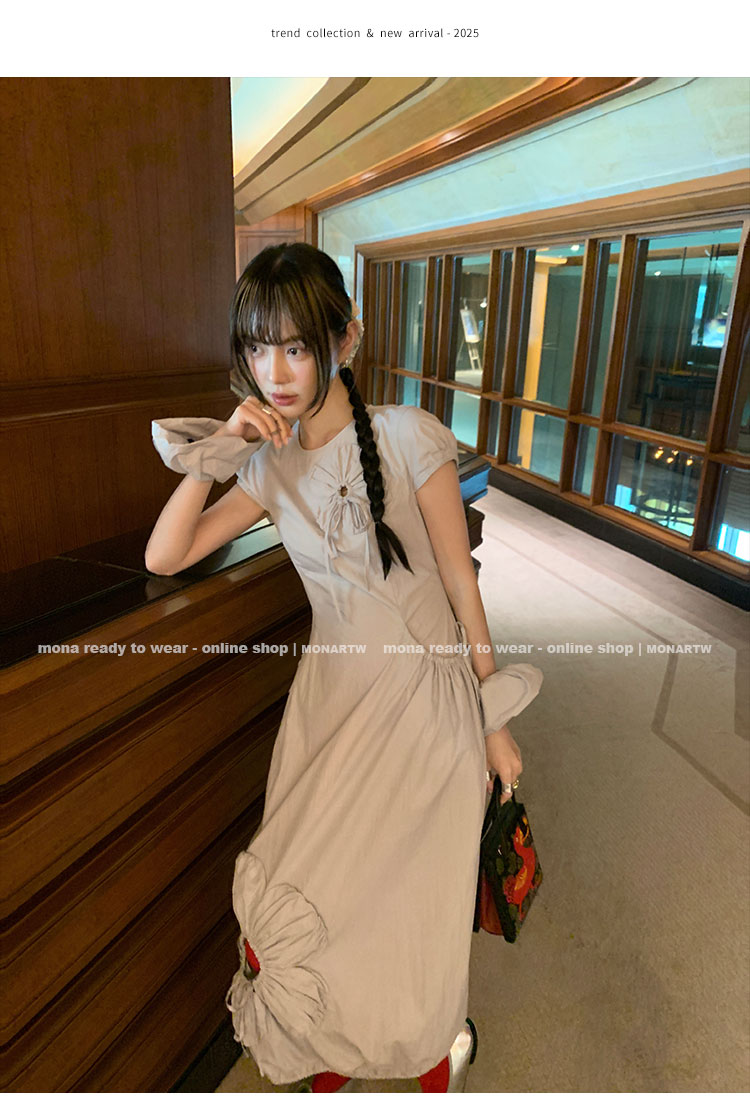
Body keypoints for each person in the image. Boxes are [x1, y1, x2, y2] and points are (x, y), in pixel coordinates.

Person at [146, 243, 543, 1092]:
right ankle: (333, 1057)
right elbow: (167, 554)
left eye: (296, 346)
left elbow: (461, 583)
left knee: (411, 917)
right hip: (330, 707)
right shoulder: (267, 463)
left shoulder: (408, 435)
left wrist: (493, 718)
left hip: (426, 708)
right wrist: (226, 444)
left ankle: (436, 1051)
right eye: (258, 348)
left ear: (345, 340)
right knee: (308, 897)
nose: (275, 371)